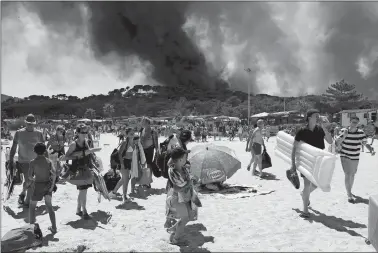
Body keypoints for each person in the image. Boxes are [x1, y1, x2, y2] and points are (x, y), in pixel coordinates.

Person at [291, 109, 333, 218]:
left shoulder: (320, 129)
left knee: (316, 184)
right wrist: (293, 164)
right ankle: (305, 211)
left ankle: (304, 194)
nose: (318, 117)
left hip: (319, 160)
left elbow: (330, 141)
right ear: (309, 117)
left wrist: (325, 128)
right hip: (306, 160)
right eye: (316, 116)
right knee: (307, 184)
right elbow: (294, 147)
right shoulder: (302, 131)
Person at [164, 147, 200, 245]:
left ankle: (174, 229)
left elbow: (188, 180)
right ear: (179, 160)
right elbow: (177, 189)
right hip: (177, 198)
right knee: (185, 218)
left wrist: (192, 181)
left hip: (185, 196)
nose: (186, 159)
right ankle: (175, 239)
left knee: (190, 216)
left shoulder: (183, 169)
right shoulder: (174, 172)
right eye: (184, 158)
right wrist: (189, 183)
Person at [9, 114, 45, 206]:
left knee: (30, 181)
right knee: (30, 180)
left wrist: (46, 160)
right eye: (28, 123)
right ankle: (27, 202)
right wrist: (10, 160)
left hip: (36, 161)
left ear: (34, 124)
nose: (30, 125)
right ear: (25, 123)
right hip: (23, 161)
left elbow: (43, 148)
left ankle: (22, 194)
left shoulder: (39, 134)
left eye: (32, 124)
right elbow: (13, 148)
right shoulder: (19, 133)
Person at [336, 116, 374, 203]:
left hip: (355, 156)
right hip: (344, 155)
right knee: (347, 174)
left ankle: (350, 190)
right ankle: (349, 194)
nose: (354, 124)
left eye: (356, 123)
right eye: (353, 122)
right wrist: (344, 136)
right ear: (350, 122)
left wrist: (371, 149)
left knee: (352, 175)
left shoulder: (360, 133)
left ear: (358, 124)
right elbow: (337, 142)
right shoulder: (343, 131)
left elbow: (365, 143)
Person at [62, 124, 93, 219]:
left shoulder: (86, 142)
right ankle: (84, 211)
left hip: (86, 169)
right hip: (78, 170)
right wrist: (78, 155)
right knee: (83, 191)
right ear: (78, 133)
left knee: (83, 191)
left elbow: (88, 155)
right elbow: (66, 157)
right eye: (82, 132)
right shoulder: (73, 144)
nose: (85, 134)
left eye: (86, 132)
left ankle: (78, 209)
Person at [109, 128, 146, 203]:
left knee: (124, 179)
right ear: (127, 134)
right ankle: (125, 196)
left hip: (129, 162)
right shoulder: (125, 142)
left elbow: (133, 154)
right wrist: (122, 164)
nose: (132, 134)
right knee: (126, 179)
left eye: (133, 132)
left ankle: (113, 193)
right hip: (123, 161)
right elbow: (119, 154)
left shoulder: (133, 142)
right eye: (130, 133)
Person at [28, 143, 57, 234]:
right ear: (45, 151)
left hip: (38, 185)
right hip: (48, 185)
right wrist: (52, 186)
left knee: (32, 206)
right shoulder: (48, 161)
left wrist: (33, 179)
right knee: (49, 206)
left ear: (34, 151)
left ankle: (32, 228)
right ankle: (54, 227)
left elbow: (29, 176)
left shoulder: (33, 162)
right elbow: (54, 174)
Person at [140, 117, 160, 188]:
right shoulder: (142, 130)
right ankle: (143, 180)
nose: (141, 123)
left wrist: (157, 152)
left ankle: (148, 182)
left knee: (149, 166)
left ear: (147, 123)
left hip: (150, 149)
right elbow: (140, 140)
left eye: (143, 122)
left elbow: (156, 143)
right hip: (142, 150)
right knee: (142, 165)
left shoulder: (153, 131)